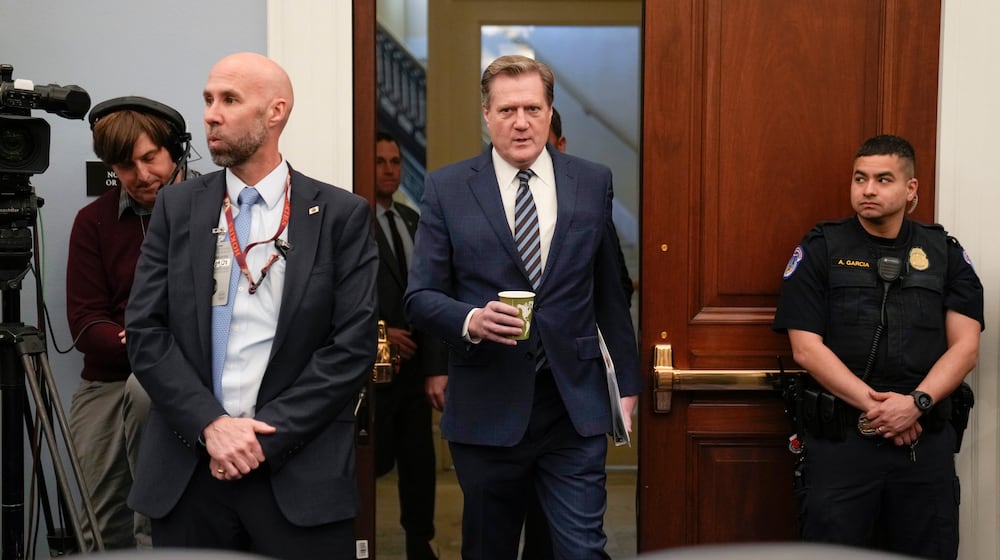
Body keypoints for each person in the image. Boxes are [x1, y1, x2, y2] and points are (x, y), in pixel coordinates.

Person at [124, 52, 378, 559]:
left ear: (275, 112)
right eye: (208, 100)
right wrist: (212, 426)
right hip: (190, 470)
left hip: (296, 471)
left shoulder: (340, 216)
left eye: (230, 100)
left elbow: (351, 347)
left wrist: (260, 439)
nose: (211, 115)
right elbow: (146, 330)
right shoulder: (178, 208)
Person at [404, 55, 640, 560]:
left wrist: (628, 384)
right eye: (508, 109)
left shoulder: (592, 181)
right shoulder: (448, 188)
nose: (521, 122)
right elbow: (420, 297)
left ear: (550, 112)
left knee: (581, 549)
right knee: (490, 548)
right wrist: (470, 319)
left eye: (533, 108)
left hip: (573, 405)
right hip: (488, 407)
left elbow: (609, 294)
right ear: (486, 115)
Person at [773, 134, 983, 559]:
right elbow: (806, 349)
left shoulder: (943, 252)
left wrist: (916, 403)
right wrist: (884, 411)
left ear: (911, 190)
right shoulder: (820, 249)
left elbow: (965, 348)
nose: (867, 190)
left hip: (924, 441)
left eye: (883, 179)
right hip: (842, 442)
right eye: (860, 178)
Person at [68, 96, 195, 550]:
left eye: (150, 158)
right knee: (99, 524)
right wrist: (144, 340)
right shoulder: (93, 222)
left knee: (163, 520)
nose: (142, 176)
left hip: (187, 374)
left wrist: (157, 349)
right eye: (125, 166)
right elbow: (85, 323)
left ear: (175, 149)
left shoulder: (218, 210)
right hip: (108, 378)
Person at [372, 130, 446, 560]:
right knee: (374, 460)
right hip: (376, 361)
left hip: (417, 363)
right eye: (380, 161)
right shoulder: (351, 219)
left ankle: (421, 543)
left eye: (395, 161)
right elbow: (339, 298)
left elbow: (432, 292)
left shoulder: (412, 220)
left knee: (419, 464)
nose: (389, 169)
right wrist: (381, 336)